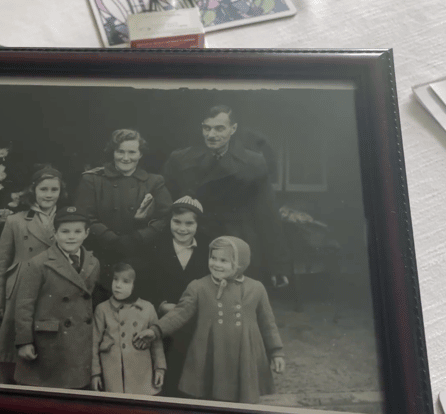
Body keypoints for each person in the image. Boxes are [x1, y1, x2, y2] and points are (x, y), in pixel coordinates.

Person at [134, 236, 285, 403]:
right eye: (213, 258)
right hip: (211, 350)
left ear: (240, 263)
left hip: (244, 352)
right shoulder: (199, 286)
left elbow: (268, 324)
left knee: (243, 398)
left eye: (224, 260)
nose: (216, 264)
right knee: (211, 397)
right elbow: (179, 313)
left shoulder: (256, 288)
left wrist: (276, 352)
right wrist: (156, 330)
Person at [162, 105, 290, 287]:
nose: (211, 135)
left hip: (237, 242)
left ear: (233, 129)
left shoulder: (253, 163)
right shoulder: (180, 160)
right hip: (195, 241)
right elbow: (166, 207)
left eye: (219, 128)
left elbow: (267, 214)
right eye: (207, 128)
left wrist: (278, 264)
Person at [0, 165, 66, 383]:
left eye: (54, 190)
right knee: (14, 341)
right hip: (20, 286)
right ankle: (10, 386)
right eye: (44, 189)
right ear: (34, 191)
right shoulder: (16, 221)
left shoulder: (67, 221)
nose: (49, 194)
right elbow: (2, 263)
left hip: (53, 285)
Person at [14, 207, 100, 389]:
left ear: (87, 233)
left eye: (77, 231)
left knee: (74, 391)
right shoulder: (39, 263)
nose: (71, 237)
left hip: (80, 340)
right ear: (55, 233)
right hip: (50, 341)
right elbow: (24, 305)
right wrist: (24, 341)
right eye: (65, 231)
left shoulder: (93, 262)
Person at [140, 196, 210, 397]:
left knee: (193, 375)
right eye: (177, 222)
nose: (182, 228)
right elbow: (146, 284)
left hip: (195, 322)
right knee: (168, 373)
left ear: (198, 224)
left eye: (189, 223)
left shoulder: (206, 250)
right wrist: (160, 305)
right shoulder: (156, 247)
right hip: (164, 321)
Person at [75, 128, 173, 259]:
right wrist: (111, 239)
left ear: (140, 154)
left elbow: (166, 216)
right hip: (100, 251)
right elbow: (84, 215)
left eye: (132, 152)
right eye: (120, 152)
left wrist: (140, 237)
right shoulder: (92, 179)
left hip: (140, 251)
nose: (126, 158)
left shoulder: (154, 181)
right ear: (113, 152)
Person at [91, 263, 166, 395]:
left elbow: (156, 343)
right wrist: (95, 373)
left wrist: (159, 368)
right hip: (112, 375)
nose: (118, 285)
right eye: (115, 279)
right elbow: (94, 343)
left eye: (125, 281)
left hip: (141, 374)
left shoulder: (148, 308)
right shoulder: (102, 309)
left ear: (135, 285)